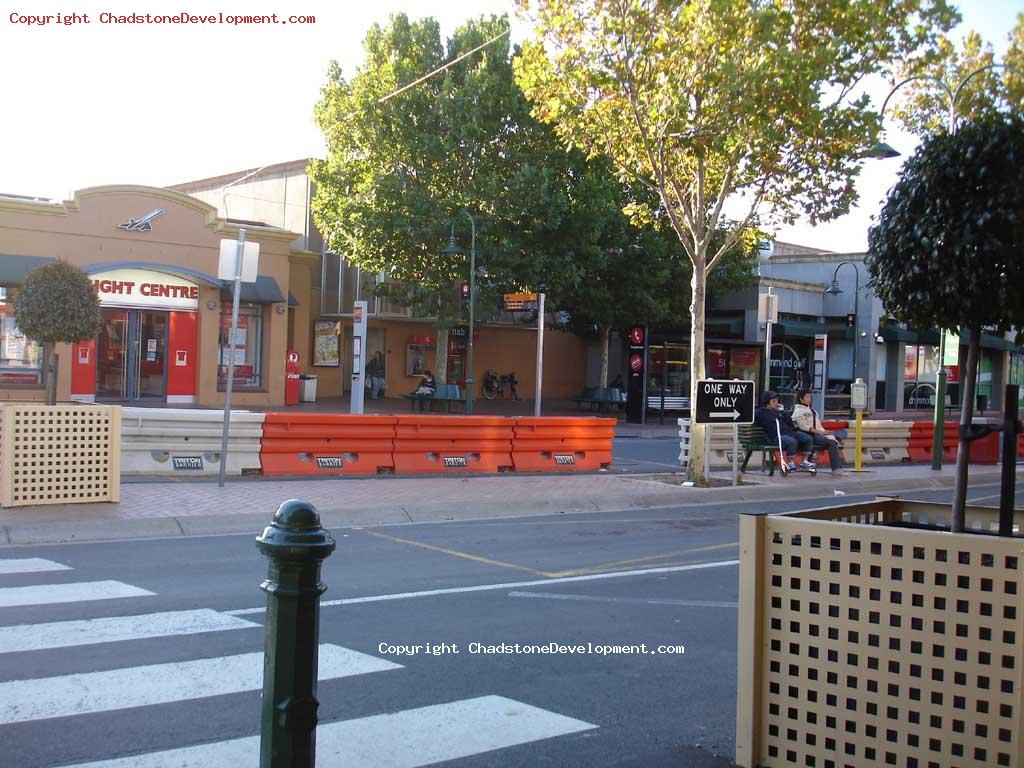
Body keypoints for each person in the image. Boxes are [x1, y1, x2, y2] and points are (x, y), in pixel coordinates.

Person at [754, 390, 815, 472]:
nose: (776, 403)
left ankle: (804, 461)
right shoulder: (760, 413)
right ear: (767, 402)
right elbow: (761, 421)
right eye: (773, 401)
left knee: (808, 438)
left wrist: (783, 412)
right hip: (776, 436)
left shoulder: (779, 412)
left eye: (777, 401)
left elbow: (790, 423)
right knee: (792, 441)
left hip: (788, 433)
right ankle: (790, 462)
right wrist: (774, 413)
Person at [792, 389, 848, 476]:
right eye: (807, 397)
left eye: (810, 397)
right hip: (809, 436)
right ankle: (836, 468)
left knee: (843, 432)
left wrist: (827, 433)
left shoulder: (813, 411)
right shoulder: (798, 411)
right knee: (831, 443)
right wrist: (821, 433)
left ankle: (838, 438)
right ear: (801, 399)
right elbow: (803, 427)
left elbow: (819, 426)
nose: (810, 399)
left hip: (818, 435)